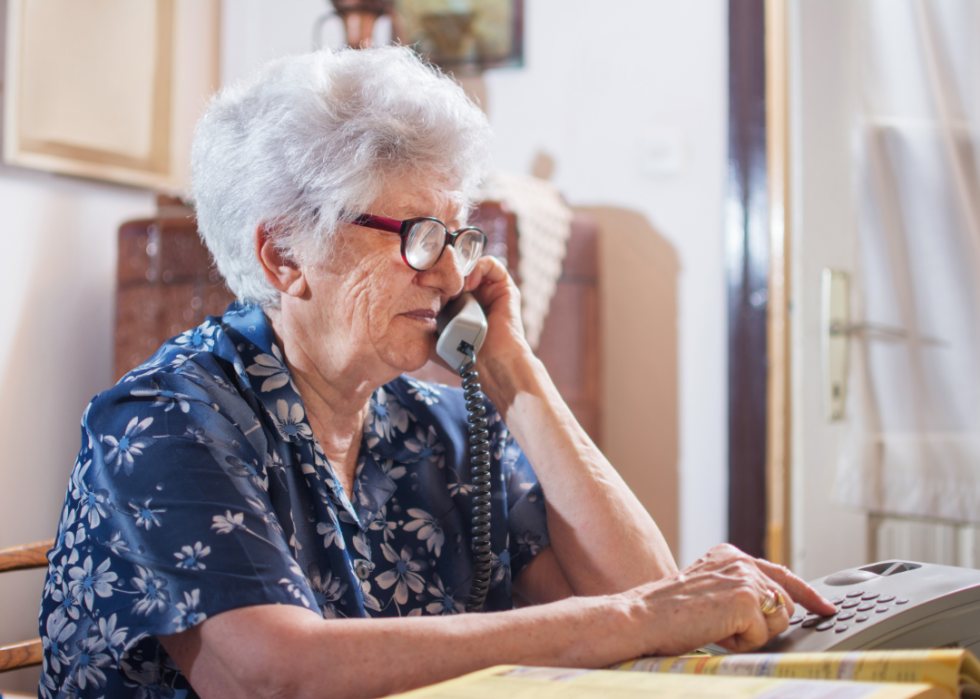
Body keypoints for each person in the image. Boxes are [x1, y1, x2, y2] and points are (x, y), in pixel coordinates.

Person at [38, 46, 833, 699]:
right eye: (419, 235)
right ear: (285, 254)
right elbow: (273, 675)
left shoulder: (434, 421)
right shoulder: (164, 419)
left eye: (461, 235)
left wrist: (514, 371)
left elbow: (641, 588)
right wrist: (634, 615)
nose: (454, 275)